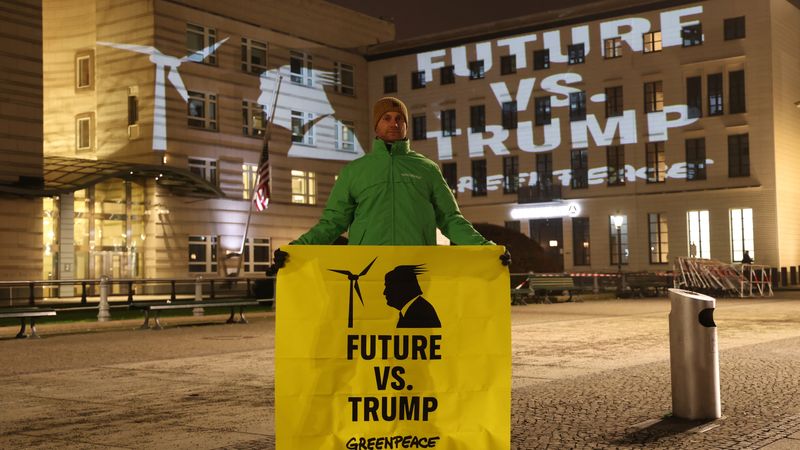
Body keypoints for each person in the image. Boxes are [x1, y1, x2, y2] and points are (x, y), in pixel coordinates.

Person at [268, 96, 509, 272]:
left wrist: (487, 249)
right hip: (367, 268)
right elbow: (332, 223)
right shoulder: (355, 171)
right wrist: (296, 249)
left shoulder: (427, 169)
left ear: (406, 125)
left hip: (417, 267)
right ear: (376, 125)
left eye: (399, 119)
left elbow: (450, 219)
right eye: (386, 118)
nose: (393, 123)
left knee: (415, 332)